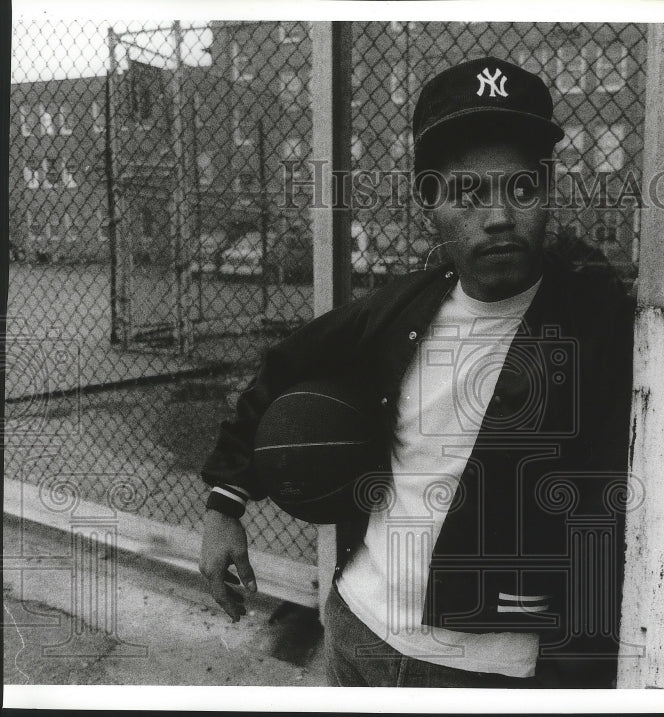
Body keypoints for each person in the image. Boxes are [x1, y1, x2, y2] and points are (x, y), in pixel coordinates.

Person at [199, 56, 635, 688]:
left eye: (521, 188)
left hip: (495, 670)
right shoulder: (400, 308)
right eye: (467, 192)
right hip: (359, 630)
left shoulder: (599, 325)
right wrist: (223, 506)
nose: (497, 216)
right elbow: (282, 366)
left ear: (548, 194)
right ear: (429, 202)